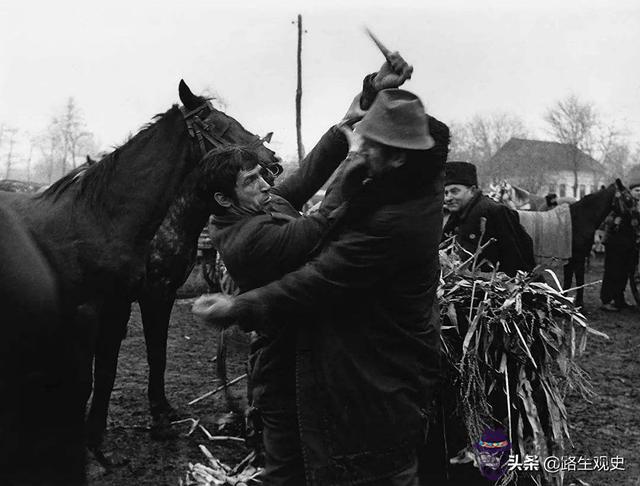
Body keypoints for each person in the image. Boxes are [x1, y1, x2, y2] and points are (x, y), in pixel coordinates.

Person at [194, 86, 450, 485]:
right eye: (251, 180)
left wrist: (343, 126)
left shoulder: (260, 203)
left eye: (263, 176)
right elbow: (314, 237)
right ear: (224, 200)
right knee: (289, 467)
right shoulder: (246, 239)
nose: (266, 185)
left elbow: (304, 179)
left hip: (319, 360)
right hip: (285, 364)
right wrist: (236, 307)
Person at [442, 161, 535, 276]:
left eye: (454, 191)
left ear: (472, 190)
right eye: (445, 193)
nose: (448, 198)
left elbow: (516, 259)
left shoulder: (494, 211)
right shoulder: (456, 214)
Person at [600, 174, 640, 311]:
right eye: (637, 190)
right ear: (630, 192)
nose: (639, 193)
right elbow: (608, 222)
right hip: (615, 245)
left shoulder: (636, 207)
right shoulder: (621, 204)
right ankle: (606, 300)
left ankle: (619, 300)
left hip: (629, 246)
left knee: (623, 274)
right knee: (612, 272)